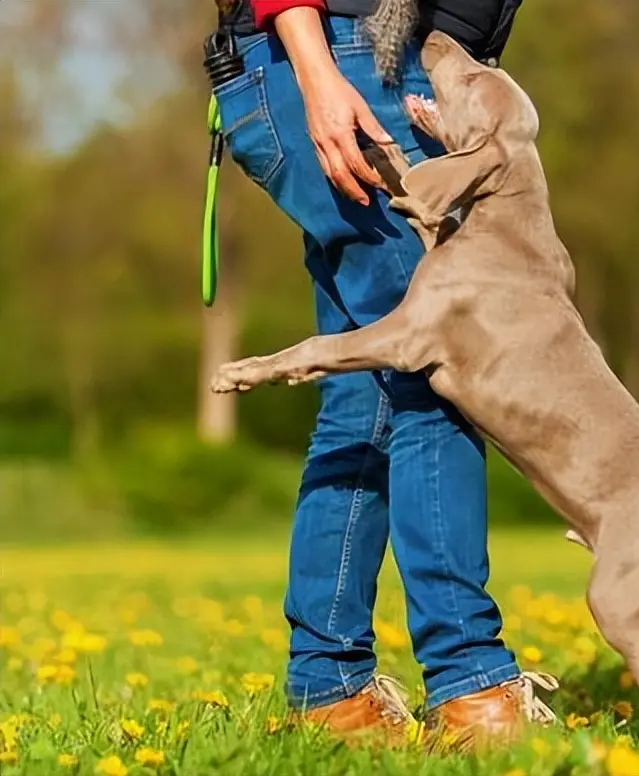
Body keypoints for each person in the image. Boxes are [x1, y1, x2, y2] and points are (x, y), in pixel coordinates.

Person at [210, 0, 552, 749]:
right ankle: (472, 688)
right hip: (341, 65)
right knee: (438, 371)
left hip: (355, 71)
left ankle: (331, 695)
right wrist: (319, 75)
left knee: (367, 397)